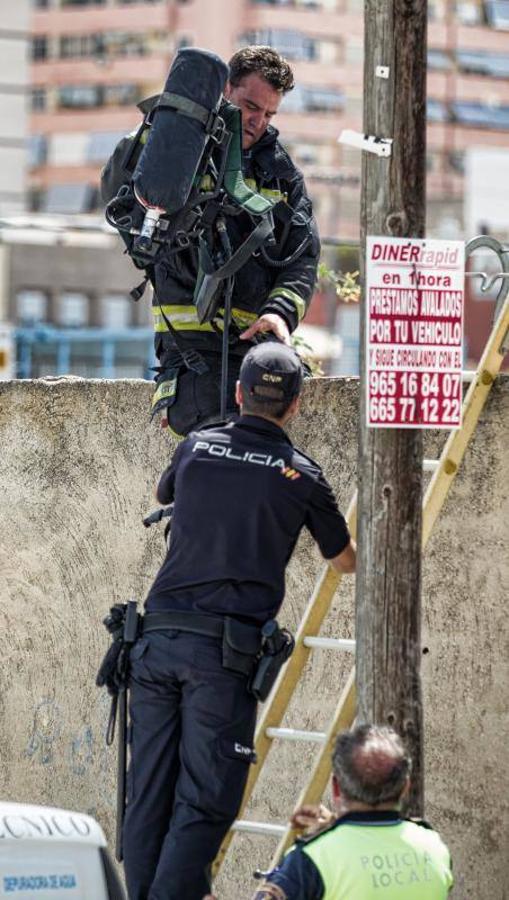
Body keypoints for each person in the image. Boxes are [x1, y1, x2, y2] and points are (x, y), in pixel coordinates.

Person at [122, 342, 356, 900]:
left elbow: (166, 492)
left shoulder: (198, 446)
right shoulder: (301, 475)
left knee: (148, 791)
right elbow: (344, 560)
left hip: (156, 642)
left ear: (236, 394)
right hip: (220, 660)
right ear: (296, 405)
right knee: (206, 798)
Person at [150, 45, 321, 436]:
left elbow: (303, 257)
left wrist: (280, 312)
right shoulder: (183, 153)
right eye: (250, 107)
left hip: (256, 346)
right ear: (226, 90)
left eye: (269, 114)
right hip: (192, 351)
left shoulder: (281, 174)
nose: (258, 122)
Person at [251, 724, 454, 899]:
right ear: (406, 787)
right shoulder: (434, 846)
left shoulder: (312, 859)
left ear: (336, 787)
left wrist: (333, 833)